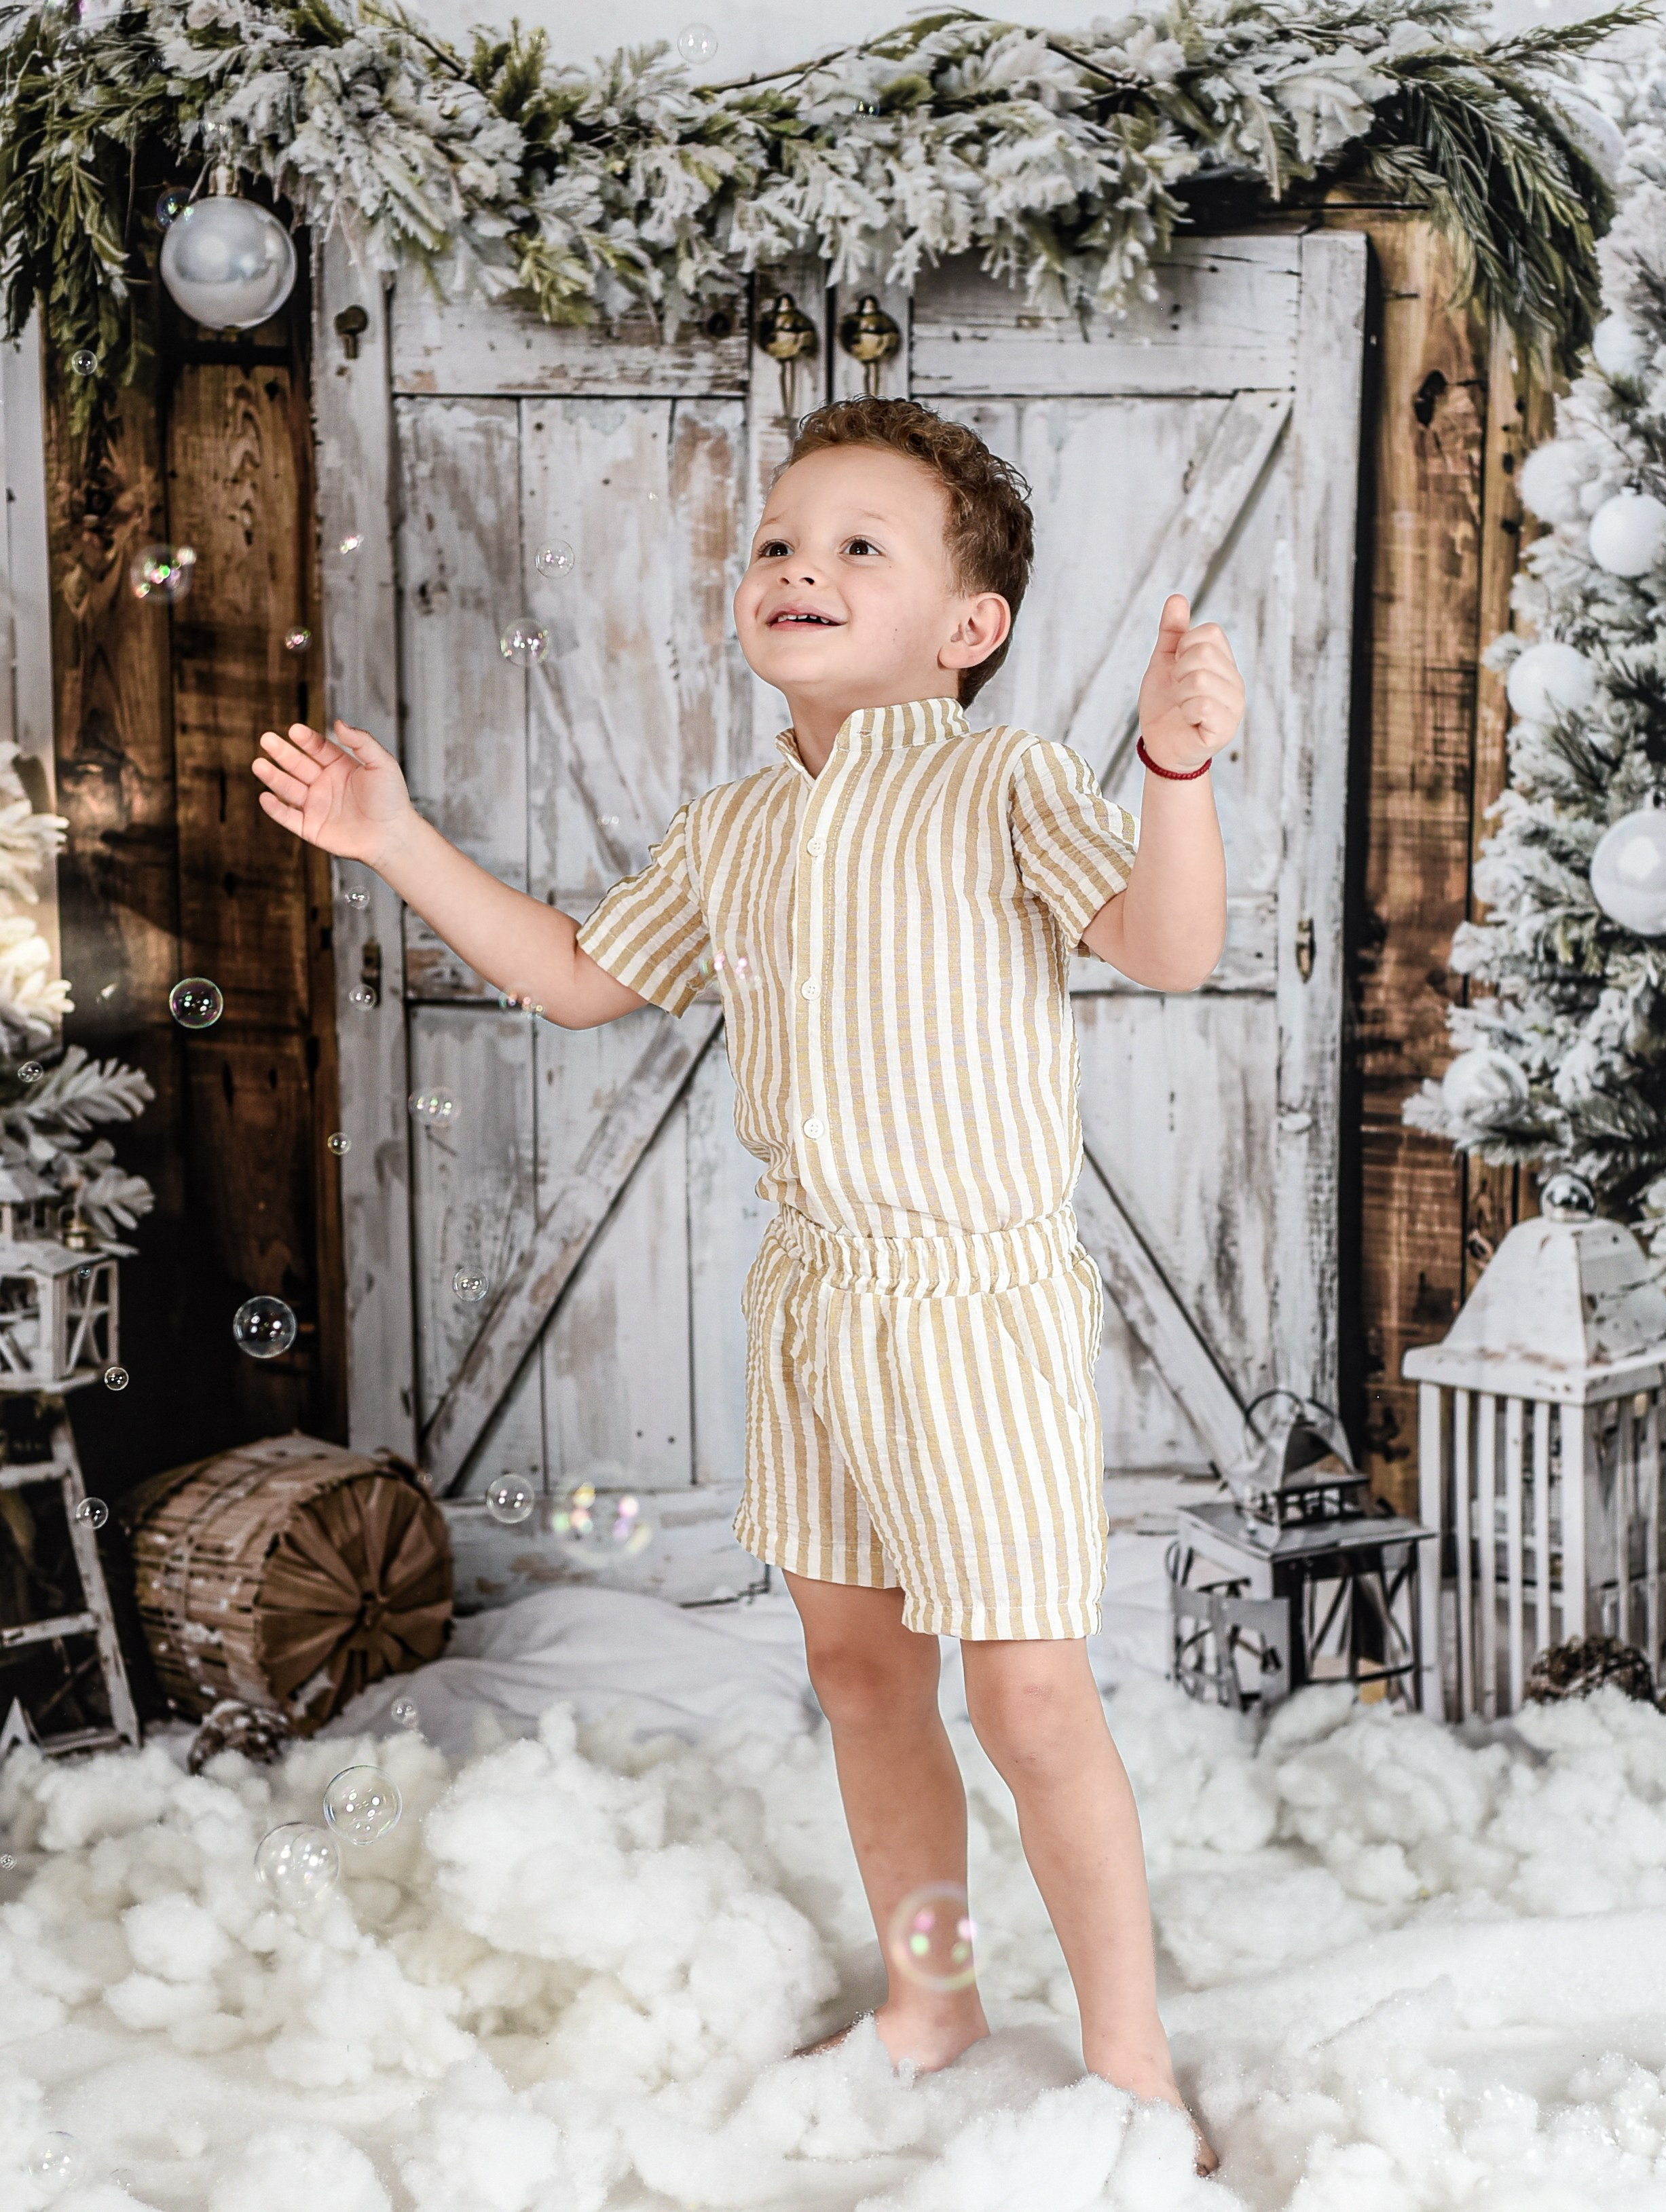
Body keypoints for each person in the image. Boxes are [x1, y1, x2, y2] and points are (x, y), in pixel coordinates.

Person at [252, 396, 1242, 2171]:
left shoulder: (1001, 782)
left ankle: (1128, 2048)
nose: (800, 567)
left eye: (862, 545)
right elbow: (573, 975)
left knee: (1026, 1691)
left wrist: (1172, 770)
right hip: (814, 1301)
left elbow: (1168, 948)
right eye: (782, 540)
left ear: (967, 628)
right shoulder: (732, 828)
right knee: (862, 1673)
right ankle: (934, 1989)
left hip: (970, 1304)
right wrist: (397, 838)